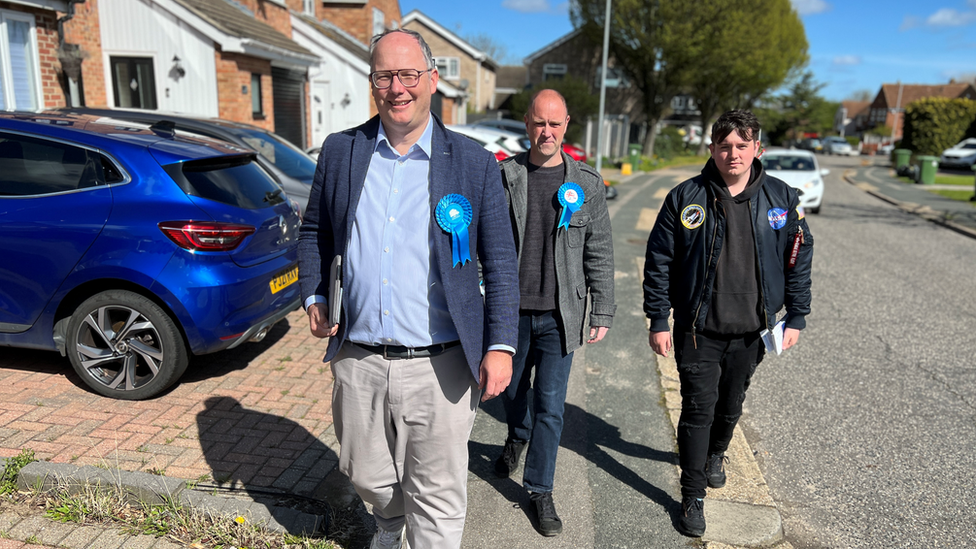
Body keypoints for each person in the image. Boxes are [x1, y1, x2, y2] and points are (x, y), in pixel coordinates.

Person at [297, 29, 520, 549]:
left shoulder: (473, 161)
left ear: (433, 80)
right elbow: (314, 232)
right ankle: (390, 526)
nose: (397, 87)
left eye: (409, 75)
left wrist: (501, 345)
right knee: (363, 473)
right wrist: (315, 294)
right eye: (385, 75)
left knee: (438, 495)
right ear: (372, 82)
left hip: (441, 363)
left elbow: (501, 262)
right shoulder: (340, 151)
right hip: (359, 356)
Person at [642, 110, 813, 537]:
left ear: (758, 149)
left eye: (741, 145)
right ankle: (692, 494)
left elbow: (798, 259)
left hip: (752, 329)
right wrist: (658, 318)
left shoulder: (783, 199)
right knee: (698, 409)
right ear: (712, 149)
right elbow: (659, 261)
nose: (732, 154)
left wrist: (796, 315)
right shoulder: (686, 197)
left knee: (731, 404)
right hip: (698, 329)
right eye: (724, 146)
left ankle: (718, 453)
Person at [493, 89, 615, 537]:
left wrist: (602, 307)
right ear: (527, 124)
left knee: (551, 405)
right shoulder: (505, 177)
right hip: (510, 313)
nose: (547, 131)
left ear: (567, 126)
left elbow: (599, 249)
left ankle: (540, 490)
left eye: (555, 124)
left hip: (562, 314)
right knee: (509, 392)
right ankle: (515, 437)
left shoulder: (587, 183)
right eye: (539, 123)